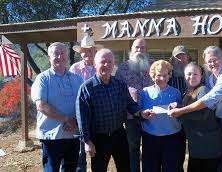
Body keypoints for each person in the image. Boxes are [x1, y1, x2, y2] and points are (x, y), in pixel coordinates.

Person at [76, 48, 140, 172]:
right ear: (95, 64)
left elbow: (130, 104)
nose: (107, 65)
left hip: (119, 134)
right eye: (103, 62)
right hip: (98, 138)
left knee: (125, 168)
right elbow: (82, 118)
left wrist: (140, 112)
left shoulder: (119, 84)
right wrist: (87, 141)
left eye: (110, 62)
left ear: (113, 64)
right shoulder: (86, 88)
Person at [31, 42, 83, 172]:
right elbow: (41, 106)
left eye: (63, 53)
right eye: (56, 54)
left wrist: (75, 122)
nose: (60, 56)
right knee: (51, 169)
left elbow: (83, 104)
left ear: (67, 56)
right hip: (51, 136)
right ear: (49, 57)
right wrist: (66, 119)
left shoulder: (77, 79)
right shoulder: (42, 79)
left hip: (72, 135)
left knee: (70, 169)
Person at [140, 60, 185, 172]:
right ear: (153, 76)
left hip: (172, 137)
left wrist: (177, 106)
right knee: (150, 169)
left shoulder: (176, 93)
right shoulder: (145, 92)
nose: (162, 78)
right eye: (158, 75)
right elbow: (139, 113)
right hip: (150, 137)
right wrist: (143, 114)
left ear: (169, 75)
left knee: (171, 169)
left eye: (165, 75)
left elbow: (182, 113)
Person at [116, 38, 153, 172]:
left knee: (150, 148)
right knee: (133, 149)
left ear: (146, 50)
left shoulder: (153, 65)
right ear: (131, 50)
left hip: (151, 114)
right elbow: (118, 91)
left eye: (143, 48)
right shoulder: (123, 67)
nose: (139, 50)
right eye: (137, 47)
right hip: (131, 116)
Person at [179, 62, 222, 172]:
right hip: (197, 146)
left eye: (195, 74)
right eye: (189, 74)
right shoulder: (187, 92)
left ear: (201, 76)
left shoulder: (203, 90)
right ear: (184, 76)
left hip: (209, 146)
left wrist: (180, 112)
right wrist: (177, 107)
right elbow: (189, 109)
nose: (192, 77)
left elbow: (202, 114)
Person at [69, 27, 97, 172]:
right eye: (84, 50)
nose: (87, 53)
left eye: (90, 50)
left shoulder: (100, 67)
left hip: (97, 115)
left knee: (98, 153)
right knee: (80, 153)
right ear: (81, 53)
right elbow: (71, 92)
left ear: (95, 51)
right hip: (80, 113)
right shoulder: (74, 69)